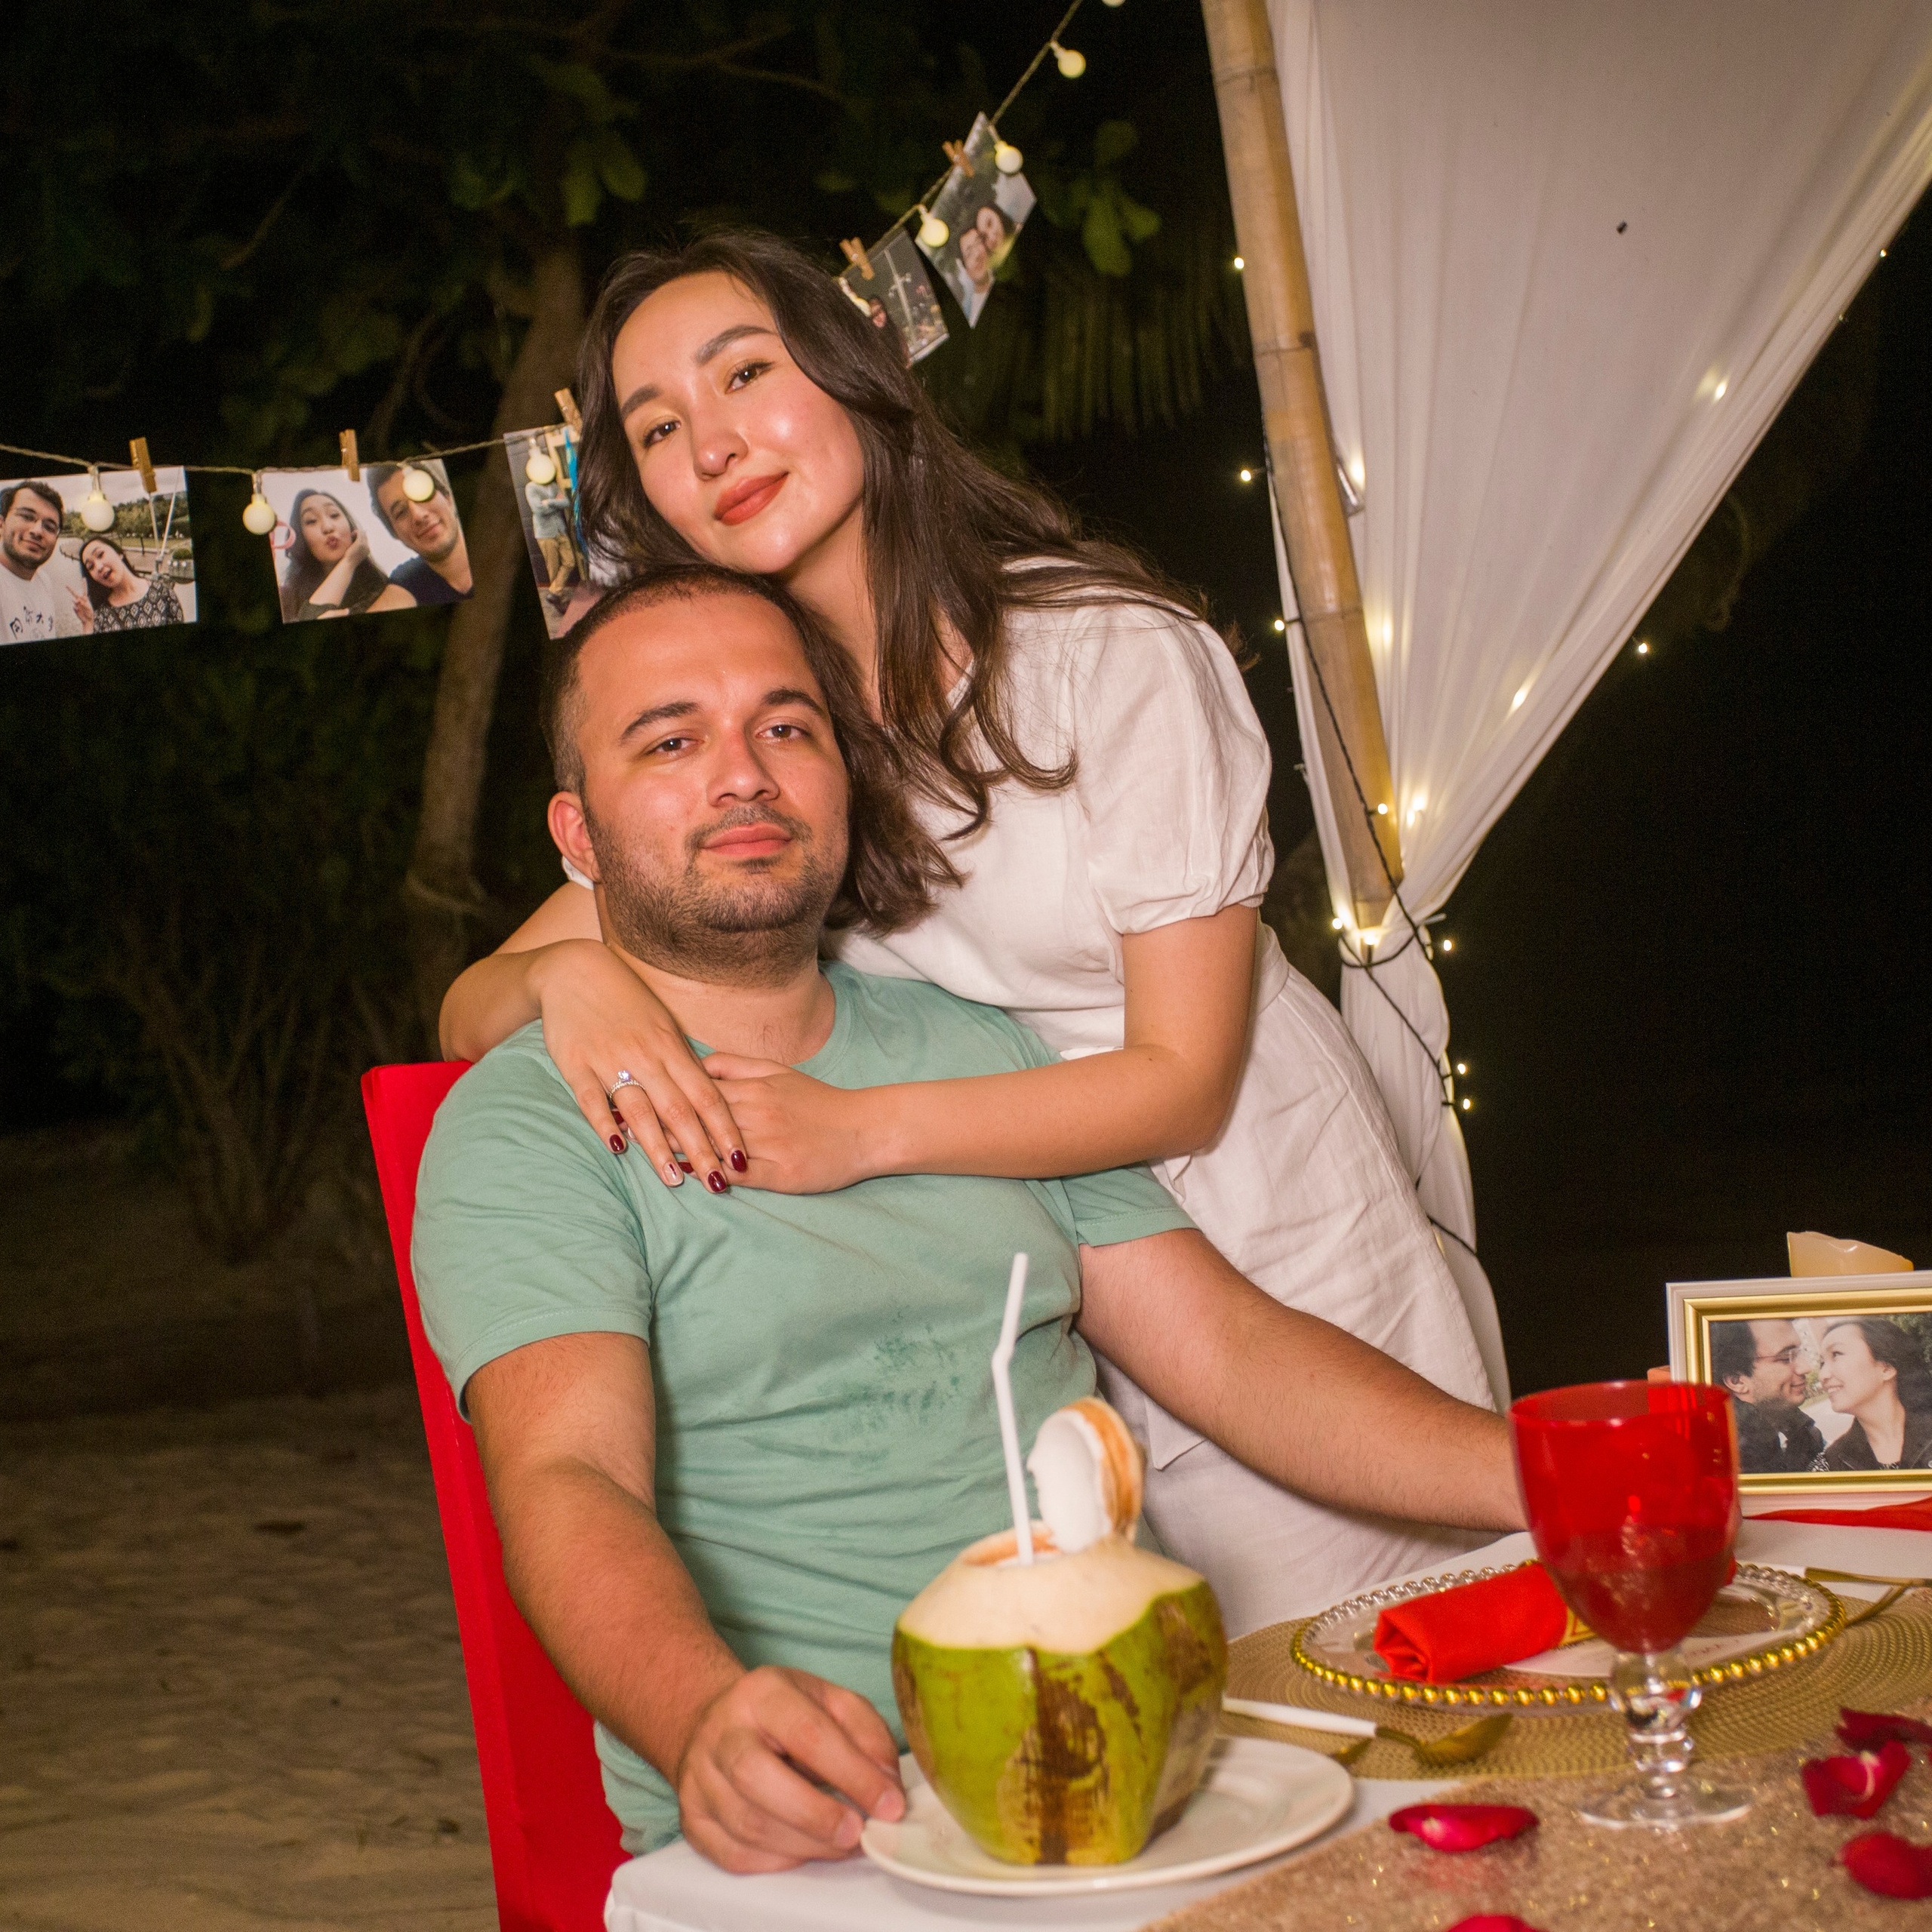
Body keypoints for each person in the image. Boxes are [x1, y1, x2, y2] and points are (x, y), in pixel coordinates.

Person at [436, 229, 1497, 1635]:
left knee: (1404, 1690)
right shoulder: (779, 748)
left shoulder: (1105, 656)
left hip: (1254, 1246)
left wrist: (860, 1132)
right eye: (659, 429)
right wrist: (572, 979)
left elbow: (1184, 1076)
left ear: (855, 375)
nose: (713, 443)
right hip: (1029, 1306)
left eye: (745, 373)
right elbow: (470, 1005)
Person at [411, 566, 1521, 1872]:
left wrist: (1544, 1478)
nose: (745, 775)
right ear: (579, 838)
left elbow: (1228, 1351)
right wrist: (702, 1714)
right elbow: (568, 1477)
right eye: (672, 740)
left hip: (1147, 1772)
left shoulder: (977, 1048)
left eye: (788, 727)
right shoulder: (531, 1122)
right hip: (832, 1815)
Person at [1810, 1318, 1932, 1473]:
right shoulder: (1828, 1467)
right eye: (1822, 1363)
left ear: (1886, 1368)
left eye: (1836, 1354)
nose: (1823, 1375)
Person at [278, 488, 416, 622]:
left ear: (351, 528)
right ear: (301, 538)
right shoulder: (285, 599)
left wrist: (352, 560)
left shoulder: (385, 590)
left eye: (334, 515)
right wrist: (349, 561)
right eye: (312, 521)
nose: (328, 527)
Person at [1711, 1318, 1823, 1474]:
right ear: (1737, 1381)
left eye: (1800, 1353)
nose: (1806, 1368)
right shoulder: (1723, 1463)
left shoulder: (1806, 1436)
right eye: (1786, 1358)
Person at [367, 460, 474, 605]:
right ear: (395, 534)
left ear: (447, 497)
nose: (418, 515)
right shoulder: (407, 581)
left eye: (422, 493)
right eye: (401, 512)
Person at [0, 480, 92, 645]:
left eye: (49, 527)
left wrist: (88, 624)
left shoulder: (44, 581)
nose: (37, 531)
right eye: (27, 516)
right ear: (1, 525)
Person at [78, 534, 186, 632]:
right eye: (91, 567)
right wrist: (87, 624)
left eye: (100, 555)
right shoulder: (100, 614)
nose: (99, 567)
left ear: (119, 553)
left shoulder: (163, 592)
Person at [521, 466, 583, 615]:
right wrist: (555, 502)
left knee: (570, 562)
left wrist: (548, 502)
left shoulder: (554, 486)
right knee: (553, 567)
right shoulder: (531, 487)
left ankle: (554, 593)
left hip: (560, 530)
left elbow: (566, 502)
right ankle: (559, 600)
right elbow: (537, 510)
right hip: (545, 533)